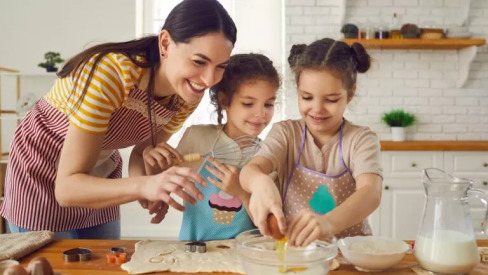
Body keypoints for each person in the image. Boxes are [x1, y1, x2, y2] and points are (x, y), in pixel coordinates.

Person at [0, 0, 237, 239]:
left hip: (100, 166)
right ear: (165, 43)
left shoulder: (187, 95)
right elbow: (66, 189)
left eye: (220, 66)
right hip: (43, 167)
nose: (208, 80)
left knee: (103, 261)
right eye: (199, 61)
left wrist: (146, 183)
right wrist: (144, 185)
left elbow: (143, 150)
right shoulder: (112, 74)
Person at [240, 38, 383, 247]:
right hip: (296, 253)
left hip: (351, 256)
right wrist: (260, 181)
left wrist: (328, 223)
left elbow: (371, 192)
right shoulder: (286, 133)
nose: (317, 109)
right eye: (307, 97)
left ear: (350, 94)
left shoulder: (361, 140)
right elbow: (251, 170)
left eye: (331, 100)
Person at [143, 53, 280, 241]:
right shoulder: (198, 137)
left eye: (269, 104)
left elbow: (268, 226)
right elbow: (160, 189)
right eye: (248, 103)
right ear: (224, 101)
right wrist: (151, 159)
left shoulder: (267, 156)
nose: (261, 113)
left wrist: (239, 191)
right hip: (195, 249)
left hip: (242, 254)